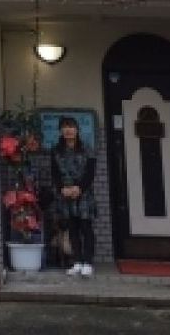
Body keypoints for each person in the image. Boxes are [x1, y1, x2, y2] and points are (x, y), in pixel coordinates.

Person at [51, 116, 97, 277]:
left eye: (71, 126)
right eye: (65, 127)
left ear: (77, 130)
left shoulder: (87, 148)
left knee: (86, 227)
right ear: (60, 131)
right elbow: (55, 173)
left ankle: (88, 262)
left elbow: (90, 173)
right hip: (65, 194)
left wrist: (80, 188)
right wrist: (61, 188)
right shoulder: (56, 151)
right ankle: (77, 261)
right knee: (72, 228)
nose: (68, 130)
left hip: (83, 194)